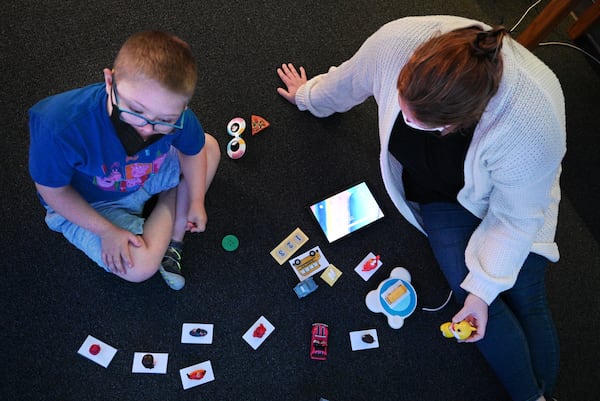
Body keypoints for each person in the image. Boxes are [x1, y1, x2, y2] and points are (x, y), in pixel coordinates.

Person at [277, 15, 564, 401]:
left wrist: (484, 292)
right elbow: (349, 79)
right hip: (440, 195)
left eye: (426, 123)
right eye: (403, 101)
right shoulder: (396, 41)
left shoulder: (530, 126)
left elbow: (515, 220)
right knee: (470, 290)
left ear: (465, 121)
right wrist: (307, 96)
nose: (407, 118)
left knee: (524, 294)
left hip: (516, 198)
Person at [29, 30, 220, 291]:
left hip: (142, 179)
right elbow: (53, 193)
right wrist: (106, 231)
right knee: (139, 267)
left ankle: (173, 240)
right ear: (110, 81)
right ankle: (173, 202)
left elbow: (195, 151)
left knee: (209, 147)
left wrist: (197, 199)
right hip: (92, 206)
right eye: (136, 110)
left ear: (182, 110)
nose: (146, 129)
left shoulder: (179, 118)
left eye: (164, 120)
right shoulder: (59, 126)